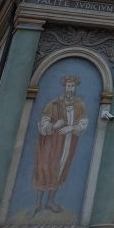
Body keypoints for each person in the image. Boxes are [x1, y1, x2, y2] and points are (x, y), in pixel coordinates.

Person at [32, 75, 88, 214]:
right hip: (51, 143)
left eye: (72, 86)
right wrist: (54, 125)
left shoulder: (79, 104)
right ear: (64, 87)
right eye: (68, 86)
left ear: (75, 87)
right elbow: (43, 124)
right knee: (44, 167)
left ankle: (50, 201)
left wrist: (72, 128)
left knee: (60, 168)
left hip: (68, 143)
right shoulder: (54, 103)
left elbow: (83, 122)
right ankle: (37, 203)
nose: (70, 88)